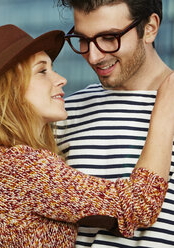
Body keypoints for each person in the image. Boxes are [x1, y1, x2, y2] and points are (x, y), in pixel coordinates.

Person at [0, 24, 174, 247]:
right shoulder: (23, 166)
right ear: (1, 90)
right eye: (42, 71)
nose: (61, 79)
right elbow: (139, 205)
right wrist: (165, 111)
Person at [56, 0, 174, 247]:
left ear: (150, 28)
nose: (94, 56)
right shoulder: (63, 114)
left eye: (109, 37)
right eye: (84, 40)